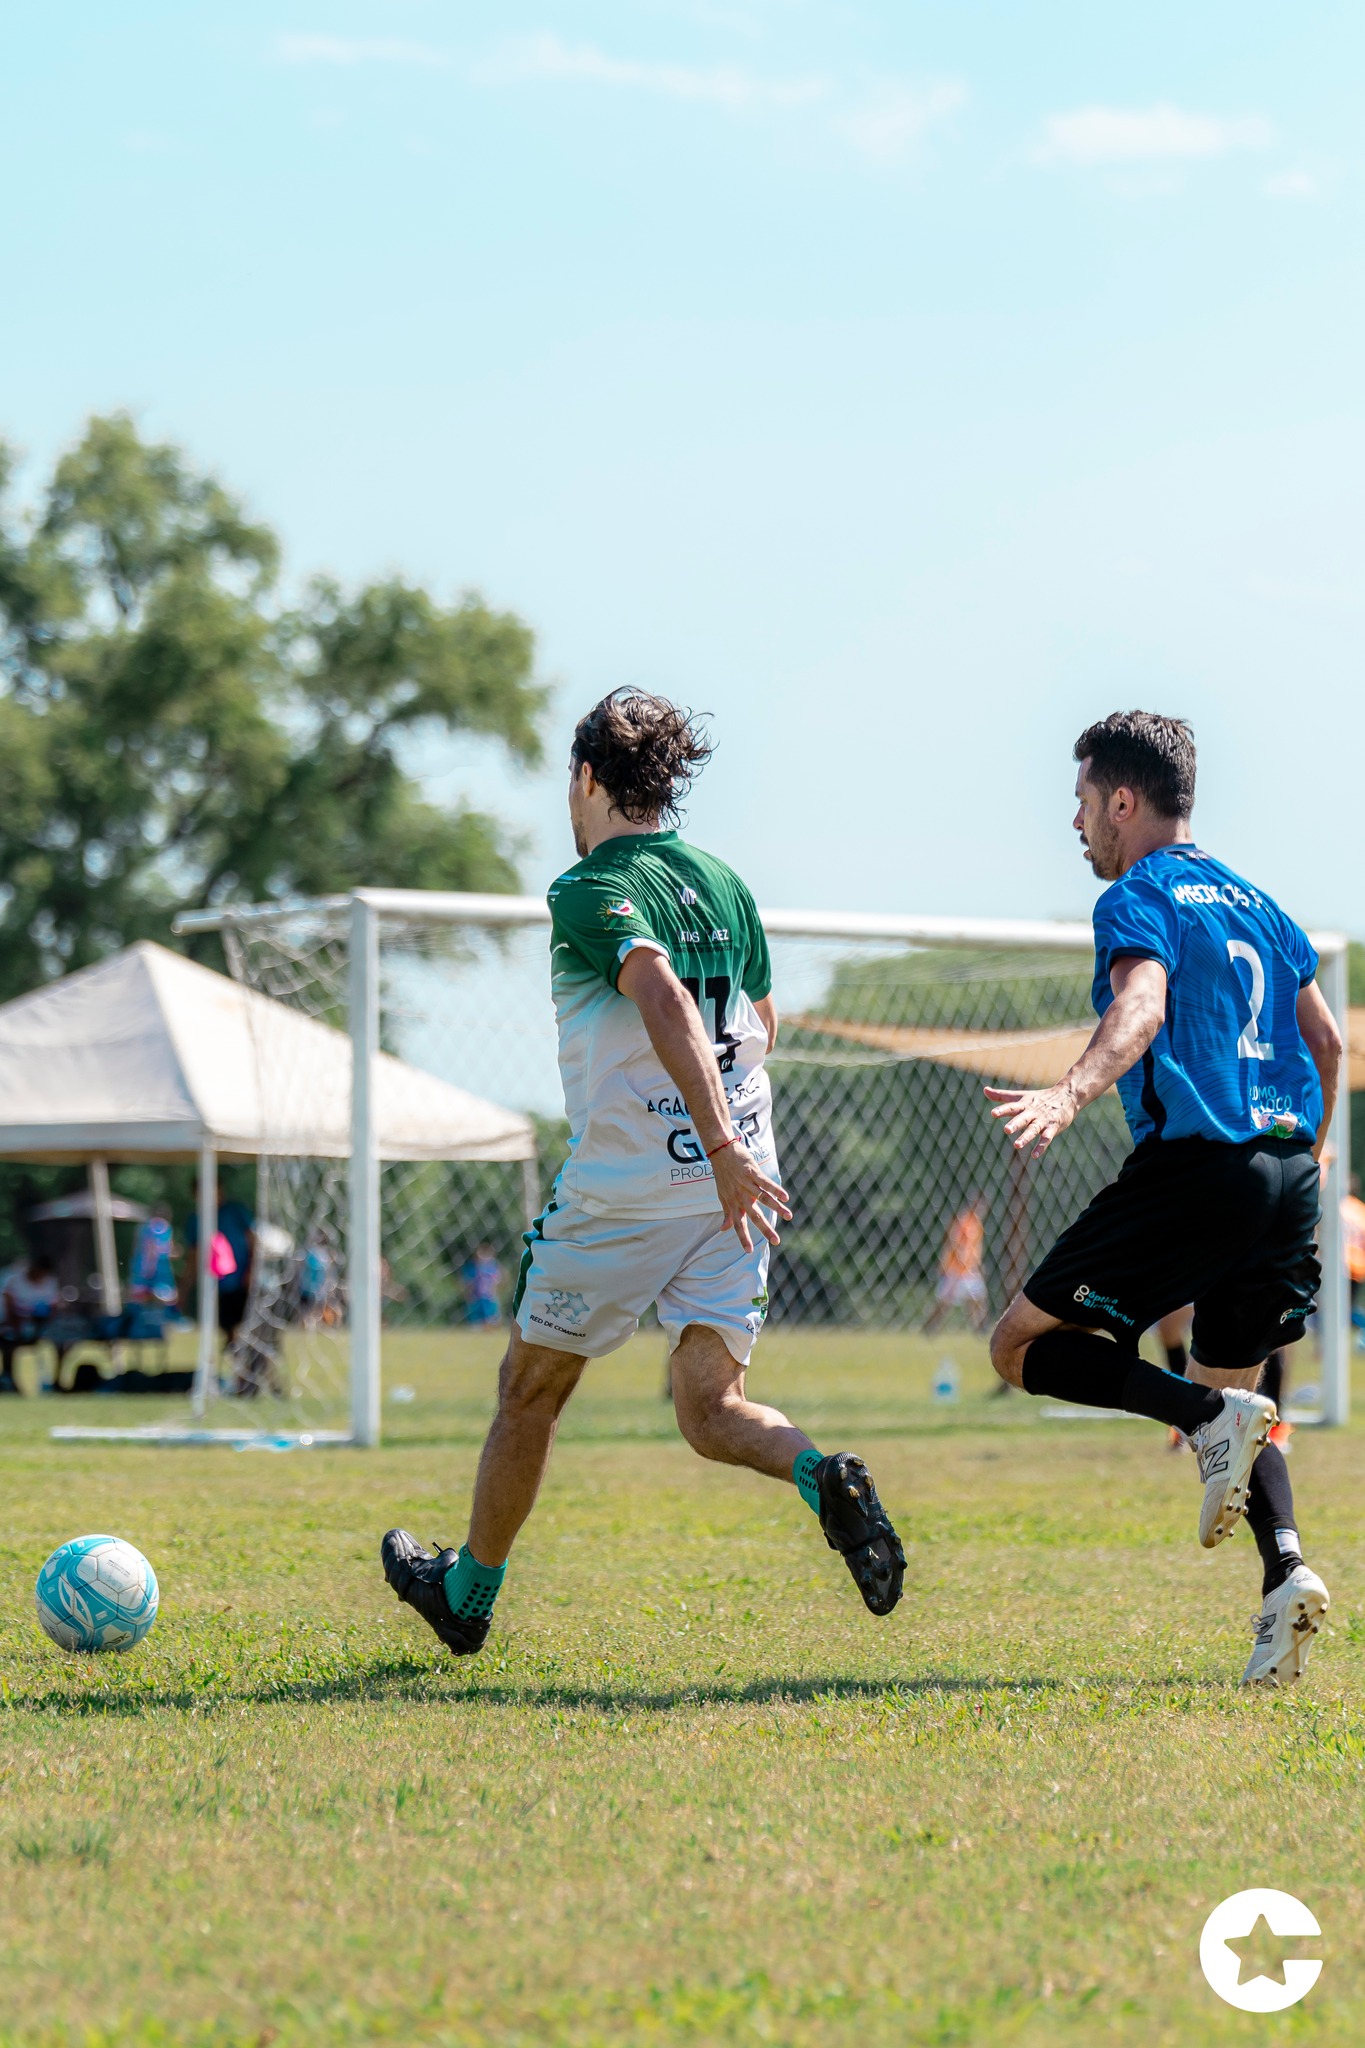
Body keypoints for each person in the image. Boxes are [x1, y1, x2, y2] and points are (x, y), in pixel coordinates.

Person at [381, 689, 905, 1654]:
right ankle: (820, 1475)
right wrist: (727, 1150)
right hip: (738, 1191)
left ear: (585, 779)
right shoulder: (726, 883)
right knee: (712, 1410)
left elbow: (658, 987)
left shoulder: (585, 889)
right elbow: (764, 1027)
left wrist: (708, 1142)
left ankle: (467, 1596)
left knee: (528, 1390)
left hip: (643, 1181)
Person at [984, 711, 1341, 1690]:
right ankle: (1287, 1573)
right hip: (1288, 1174)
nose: (1078, 823)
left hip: (1200, 1167)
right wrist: (1297, 1166)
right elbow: (1331, 1045)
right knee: (1243, 1396)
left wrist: (1068, 1091)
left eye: (1084, 801)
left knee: (1017, 1346)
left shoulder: (1142, 895)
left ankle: (1196, 1412)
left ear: (1125, 800)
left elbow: (1139, 1005)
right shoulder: (1263, 902)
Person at [924, 1194, 990, 1333]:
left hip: (969, 1272)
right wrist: (958, 1255)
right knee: (944, 1304)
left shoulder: (978, 1224)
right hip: (955, 1271)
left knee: (978, 1299)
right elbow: (953, 1240)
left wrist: (978, 1264)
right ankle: (929, 1328)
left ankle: (980, 1329)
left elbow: (976, 1249)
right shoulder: (964, 1221)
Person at [0, 1252, 60, 1387]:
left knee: (61, 1343)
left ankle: (55, 1381)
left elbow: (53, 1305)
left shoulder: (50, 1282)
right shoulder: (14, 1280)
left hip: (40, 1324)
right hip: (13, 1324)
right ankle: (8, 1378)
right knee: (8, 1344)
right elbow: (9, 1306)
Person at [128, 1204, 178, 1306]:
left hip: (141, 1272)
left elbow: (136, 1248)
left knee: (139, 1302)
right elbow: (167, 1250)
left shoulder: (144, 1226)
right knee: (164, 1302)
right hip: (160, 1272)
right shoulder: (165, 1227)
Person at [461, 1241, 503, 1326]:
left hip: (490, 1296)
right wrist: (468, 1293)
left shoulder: (494, 1266)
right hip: (477, 1296)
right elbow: (468, 1282)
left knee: (491, 1314)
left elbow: (499, 1280)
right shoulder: (473, 1267)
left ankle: (491, 1324)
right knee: (477, 1315)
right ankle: (478, 1324)